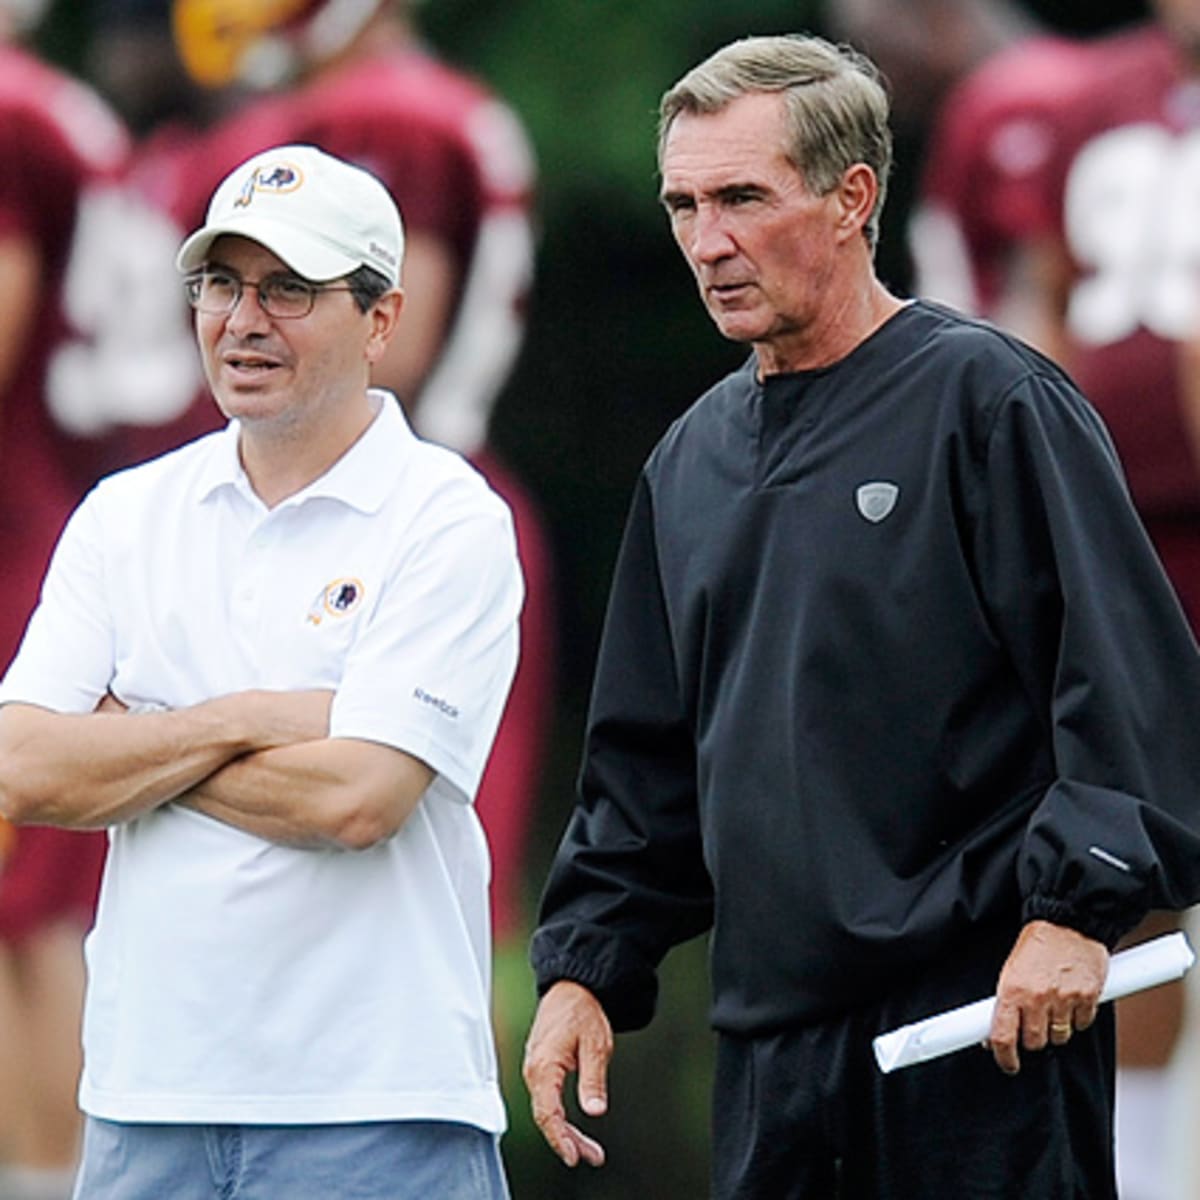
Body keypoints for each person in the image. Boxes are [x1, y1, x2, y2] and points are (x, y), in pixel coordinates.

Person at [521, 33, 1200, 1199]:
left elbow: (1125, 678)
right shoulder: (687, 464)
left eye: (742, 197)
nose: (707, 241)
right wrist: (585, 968)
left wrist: (1076, 913)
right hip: (773, 1064)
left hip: (987, 1032)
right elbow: (644, 770)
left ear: (853, 199)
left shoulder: (993, 402)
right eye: (684, 203)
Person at [0, 143, 522, 1200]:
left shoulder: (449, 516)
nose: (243, 319)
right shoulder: (125, 513)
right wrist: (247, 718)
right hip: (146, 1103)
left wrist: (127, 741)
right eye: (222, 284)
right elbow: (21, 770)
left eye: (289, 289)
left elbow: (359, 797)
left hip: (377, 1107)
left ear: (381, 319)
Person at [85, 0, 553, 957]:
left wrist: (148, 754)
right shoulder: (396, 103)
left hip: (377, 515)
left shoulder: (382, 113)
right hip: (285, 505)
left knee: (411, 913)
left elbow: (384, 353)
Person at [911, 6, 1200, 1194]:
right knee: (1124, 888)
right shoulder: (1080, 99)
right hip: (1126, 551)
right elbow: (1037, 304)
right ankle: (1140, 1171)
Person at [0, 4, 131, 1196]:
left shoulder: (15, 112)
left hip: (28, 523)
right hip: (64, 502)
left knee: (30, 905)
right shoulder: (53, 107)